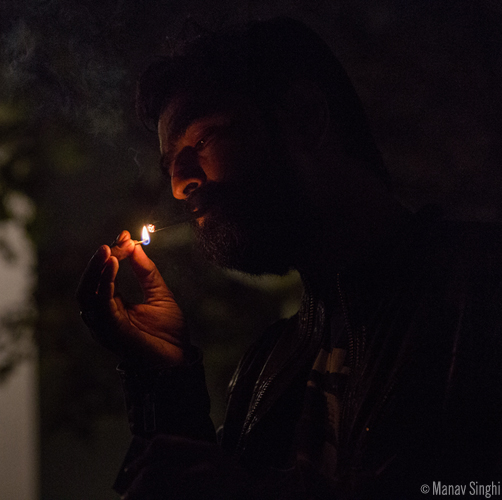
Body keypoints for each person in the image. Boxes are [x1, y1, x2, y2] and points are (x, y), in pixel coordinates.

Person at [77, 17, 502, 499]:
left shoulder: (480, 291)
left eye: (203, 140)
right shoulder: (269, 367)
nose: (180, 184)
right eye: (171, 166)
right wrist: (166, 378)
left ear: (305, 119)